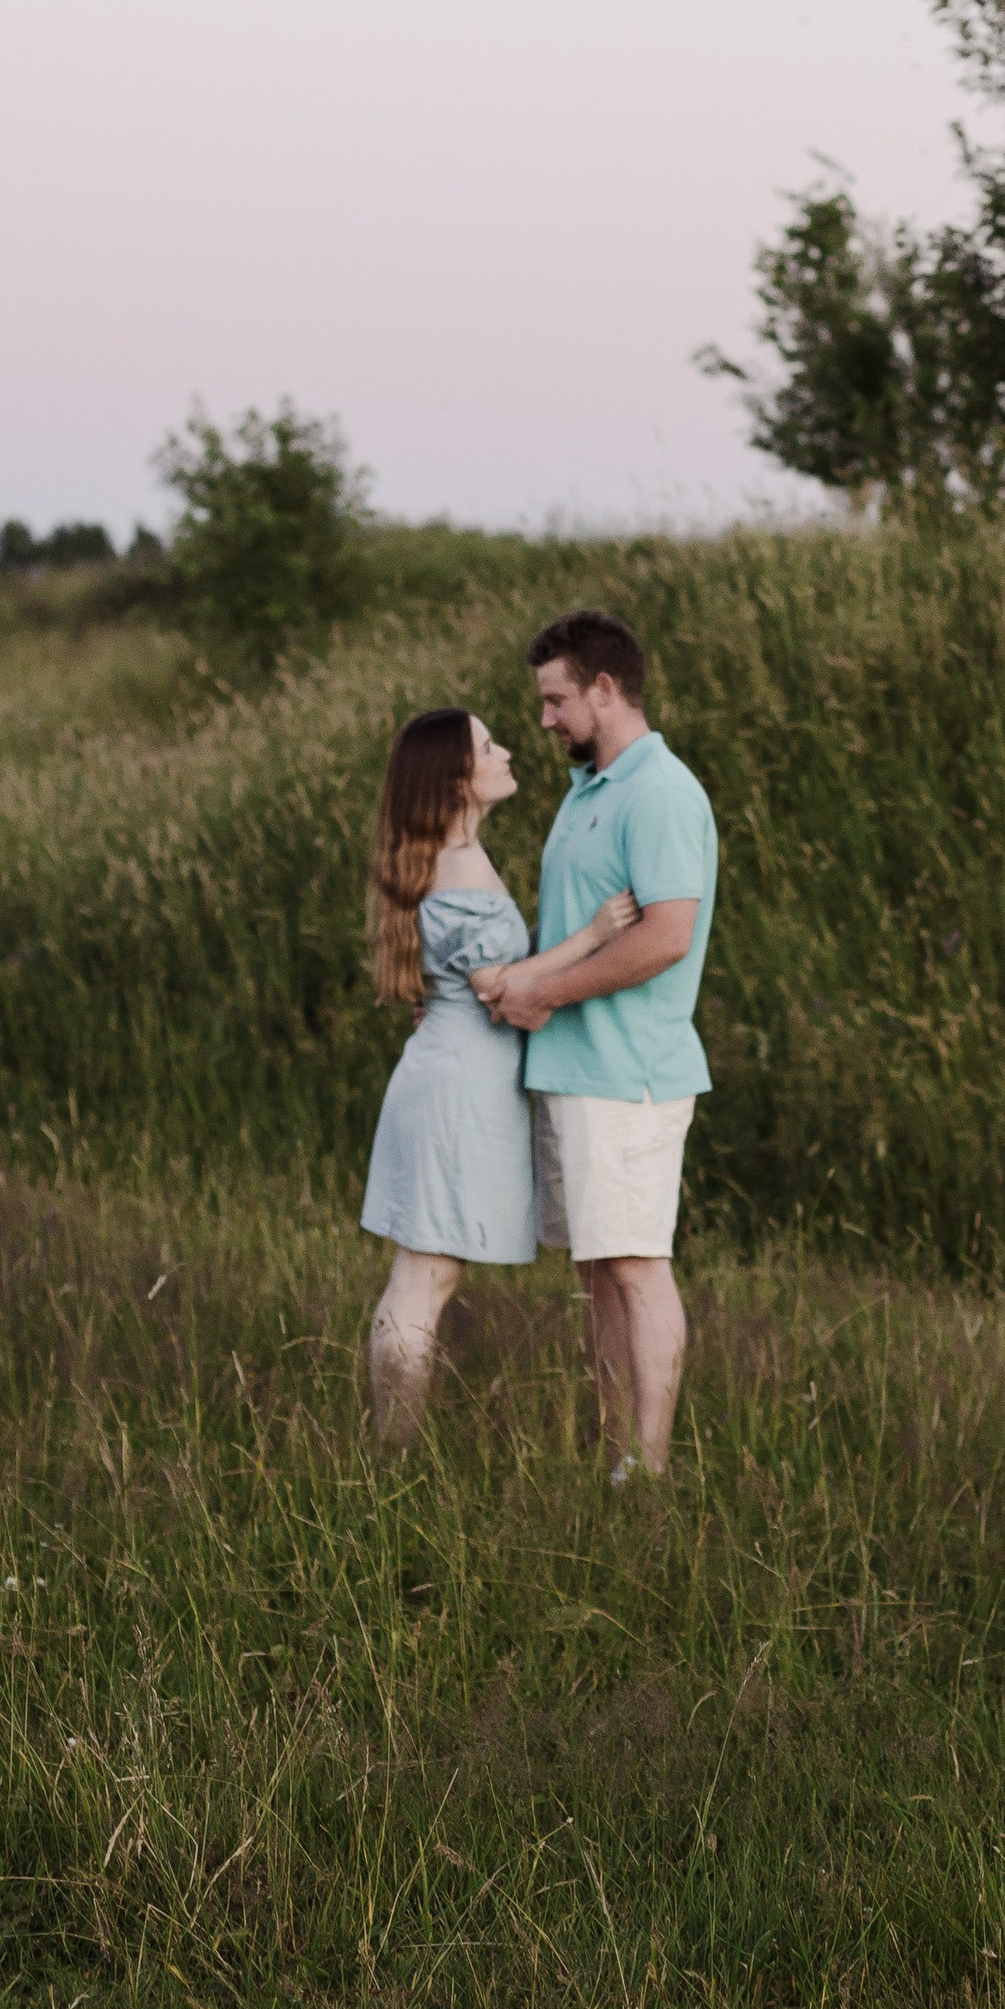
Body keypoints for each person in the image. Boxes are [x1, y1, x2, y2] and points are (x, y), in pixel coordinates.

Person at [473, 609, 718, 1485]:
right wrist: (513, 977)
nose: (544, 721)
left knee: (638, 1267)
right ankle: (616, 1454)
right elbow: (585, 930)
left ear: (606, 691)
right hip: (575, 1075)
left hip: (631, 1077)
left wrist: (541, 991)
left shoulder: (660, 792)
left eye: (557, 700)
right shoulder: (591, 790)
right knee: (597, 1272)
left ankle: (648, 1472)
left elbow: (665, 938)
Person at [358, 706, 638, 1446]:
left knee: (424, 1276)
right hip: (458, 1092)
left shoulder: (450, 859)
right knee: (423, 1279)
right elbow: (496, 985)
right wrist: (595, 936)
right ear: (457, 781)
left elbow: (481, 970)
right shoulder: (464, 867)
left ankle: (392, 1448)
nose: (507, 751)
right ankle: (391, 1455)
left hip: (446, 1076)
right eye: (488, 746)